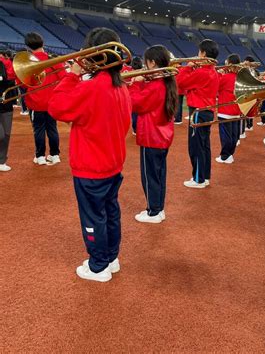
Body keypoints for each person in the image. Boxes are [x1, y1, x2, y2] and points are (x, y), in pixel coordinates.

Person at [48, 28, 132, 282]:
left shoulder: (93, 88)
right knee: (110, 212)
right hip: (112, 163)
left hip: (91, 166)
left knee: (94, 217)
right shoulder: (122, 87)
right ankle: (110, 258)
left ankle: (98, 266)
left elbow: (56, 107)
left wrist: (72, 77)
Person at [128, 45, 177, 223]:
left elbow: (135, 103)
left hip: (152, 137)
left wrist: (137, 83)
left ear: (153, 63)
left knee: (149, 177)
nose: (144, 65)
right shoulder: (165, 82)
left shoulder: (156, 85)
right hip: (161, 137)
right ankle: (158, 208)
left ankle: (153, 211)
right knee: (158, 176)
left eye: (146, 62)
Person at [176, 39, 219, 189]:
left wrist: (187, 68)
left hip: (198, 112)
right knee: (204, 146)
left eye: (199, 52)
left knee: (196, 147)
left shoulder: (202, 72)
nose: (197, 55)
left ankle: (198, 179)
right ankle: (204, 176)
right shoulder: (212, 71)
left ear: (204, 53)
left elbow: (180, 83)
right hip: (206, 111)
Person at [24, 32, 64, 166]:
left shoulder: (27, 63)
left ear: (28, 47)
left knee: (39, 129)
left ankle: (40, 156)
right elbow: (63, 78)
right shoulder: (53, 60)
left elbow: (22, 82)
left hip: (36, 103)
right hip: (52, 103)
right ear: (43, 44)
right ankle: (55, 155)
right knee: (52, 129)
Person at [215, 54, 242, 164]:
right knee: (234, 135)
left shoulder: (225, 77)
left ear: (229, 64)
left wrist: (219, 75)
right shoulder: (240, 78)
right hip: (236, 110)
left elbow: (216, 88)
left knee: (225, 135)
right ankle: (230, 154)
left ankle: (225, 156)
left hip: (225, 110)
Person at [0, 46, 16, 172]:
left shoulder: (5, 64)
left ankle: (1, 161)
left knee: (6, 134)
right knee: (1, 134)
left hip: (6, 103)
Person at [129, 56, 143, 135]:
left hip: (133, 98)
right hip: (141, 97)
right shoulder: (144, 73)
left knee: (134, 116)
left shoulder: (129, 72)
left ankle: (135, 129)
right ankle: (138, 129)